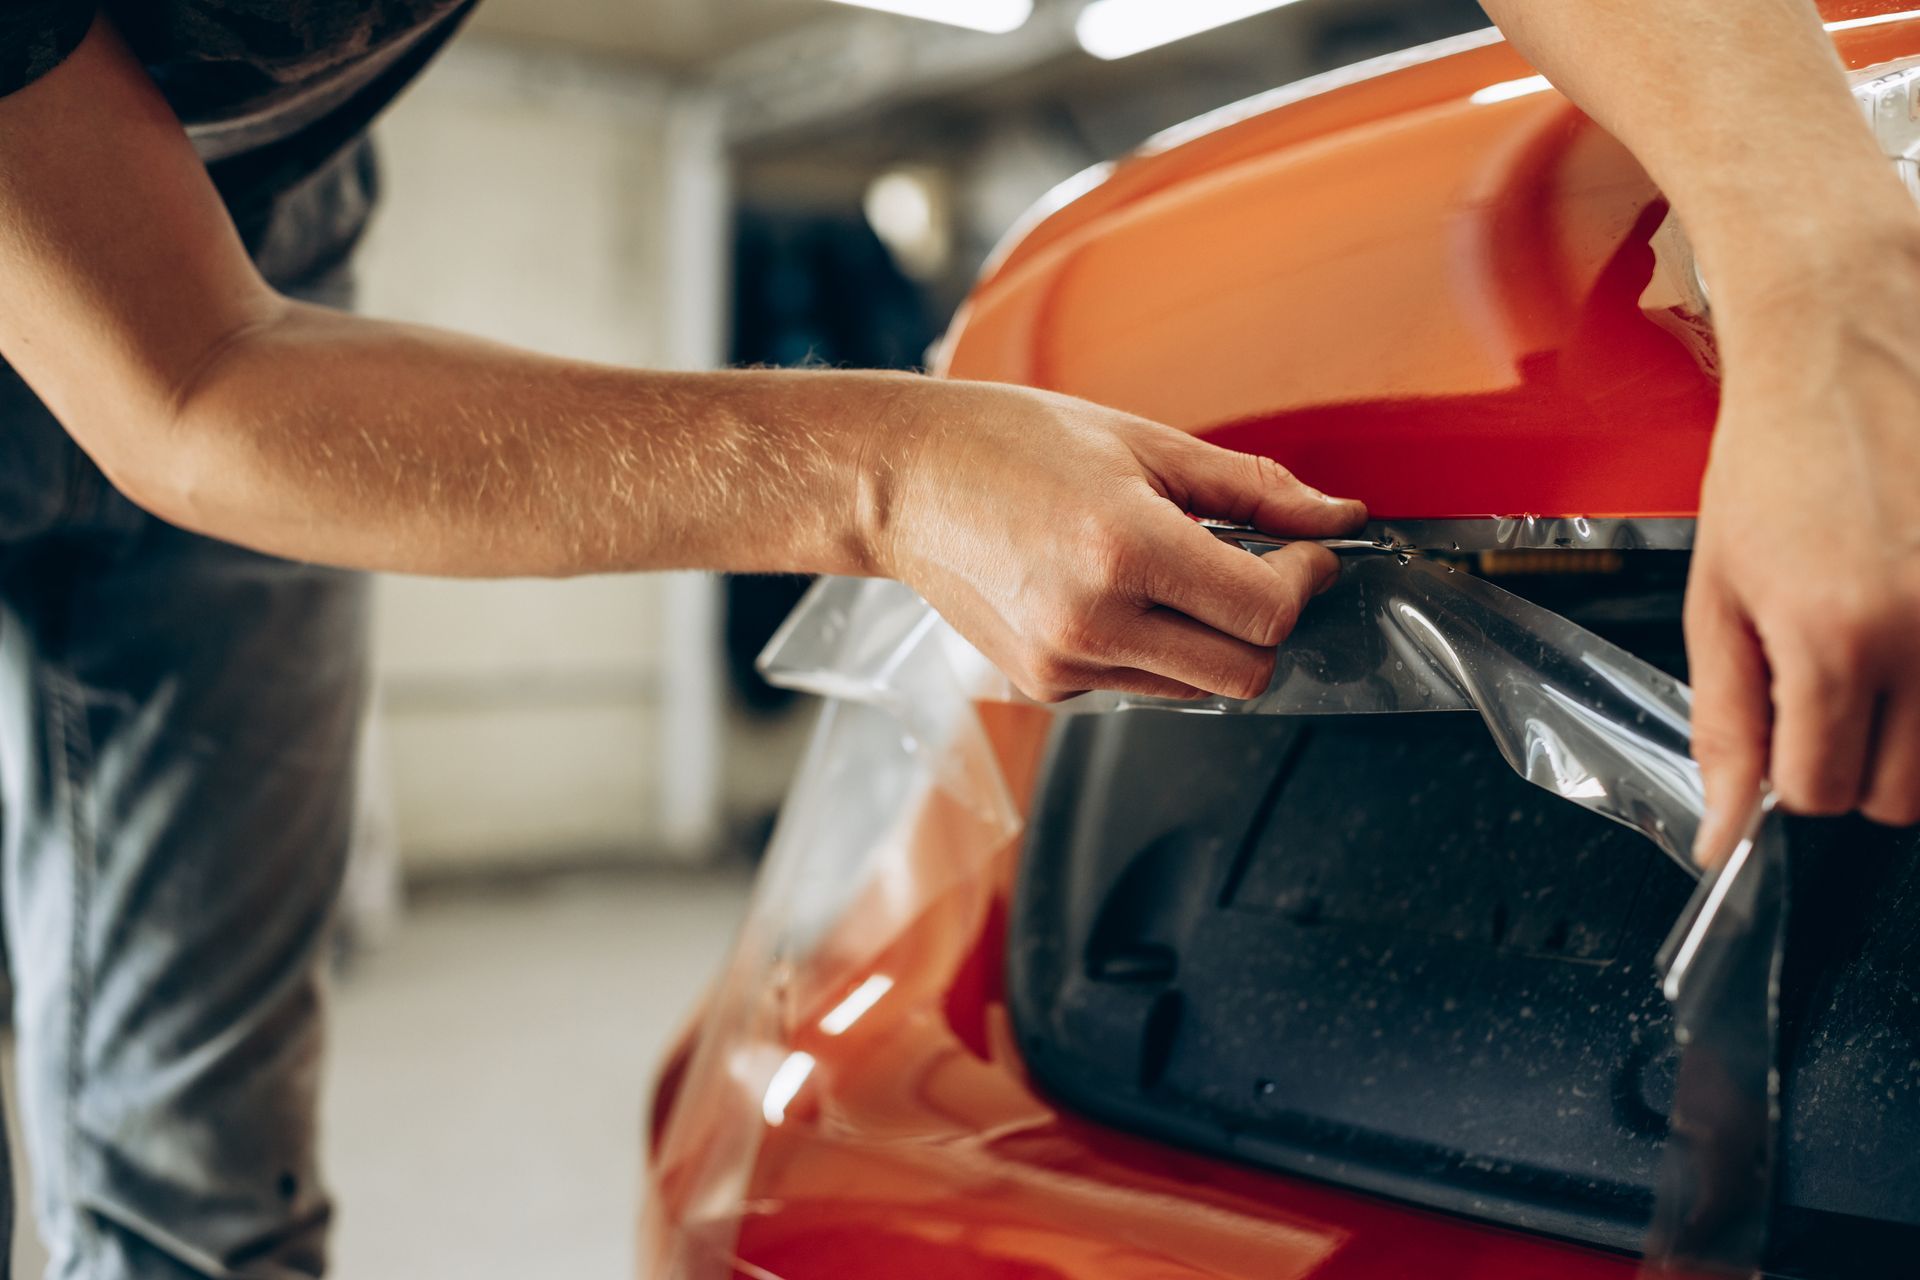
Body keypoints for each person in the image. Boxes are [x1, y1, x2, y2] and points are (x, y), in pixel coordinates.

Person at [0, 0, 1910, 1275]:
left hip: (268, 232)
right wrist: (896, 476)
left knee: (196, 1156)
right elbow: (192, 383)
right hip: (183, 317)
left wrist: (1823, 255)